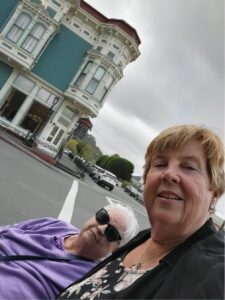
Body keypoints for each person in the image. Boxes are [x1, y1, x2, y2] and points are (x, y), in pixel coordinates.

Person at [58, 125, 225, 300]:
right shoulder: (144, 238)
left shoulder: (215, 273)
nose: (169, 174)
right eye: (160, 164)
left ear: (215, 193)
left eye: (189, 167)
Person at [0, 203, 139, 300]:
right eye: (102, 217)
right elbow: (6, 230)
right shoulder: (54, 224)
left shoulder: (91, 280)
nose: (101, 228)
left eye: (111, 232)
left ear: (115, 249)